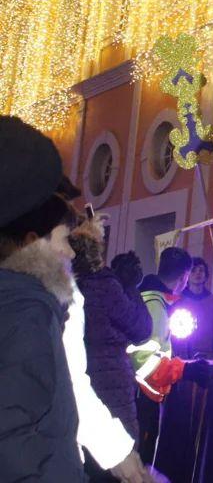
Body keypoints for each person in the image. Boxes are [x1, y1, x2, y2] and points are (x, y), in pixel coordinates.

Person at [0, 116, 87, 482]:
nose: (71, 252)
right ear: (34, 240)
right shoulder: (27, 312)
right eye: (65, 239)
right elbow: (12, 438)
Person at [68, 217, 153, 443]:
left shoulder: (60, 284)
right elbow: (141, 329)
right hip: (110, 388)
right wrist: (131, 287)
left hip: (71, 388)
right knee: (115, 458)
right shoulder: (104, 285)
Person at [131, 247, 193, 463]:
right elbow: (144, 363)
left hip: (136, 397)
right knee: (140, 461)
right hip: (142, 399)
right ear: (184, 277)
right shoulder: (155, 306)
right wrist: (184, 369)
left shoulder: (147, 297)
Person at [175, 258, 213, 359]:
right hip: (182, 355)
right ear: (187, 275)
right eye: (193, 270)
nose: (198, 273)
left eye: (201, 270)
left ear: (206, 275)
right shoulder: (178, 301)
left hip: (208, 355)